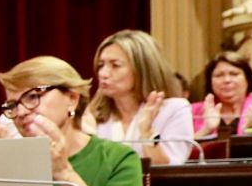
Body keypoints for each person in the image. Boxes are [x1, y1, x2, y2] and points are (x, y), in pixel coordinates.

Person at [0, 56, 141, 186]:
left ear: (72, 99)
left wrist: (63, 172)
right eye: (13, 106)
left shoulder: (118, 158)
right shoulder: (13, 162)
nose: (21, 113)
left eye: (33, 97)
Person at [84, 29, 195, 166]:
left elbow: (167, 171)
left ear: (142, 69)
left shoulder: (174, 109)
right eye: (101, 65)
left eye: (115, 65)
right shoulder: (92, 115)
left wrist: (147, 133)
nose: (103, 73)